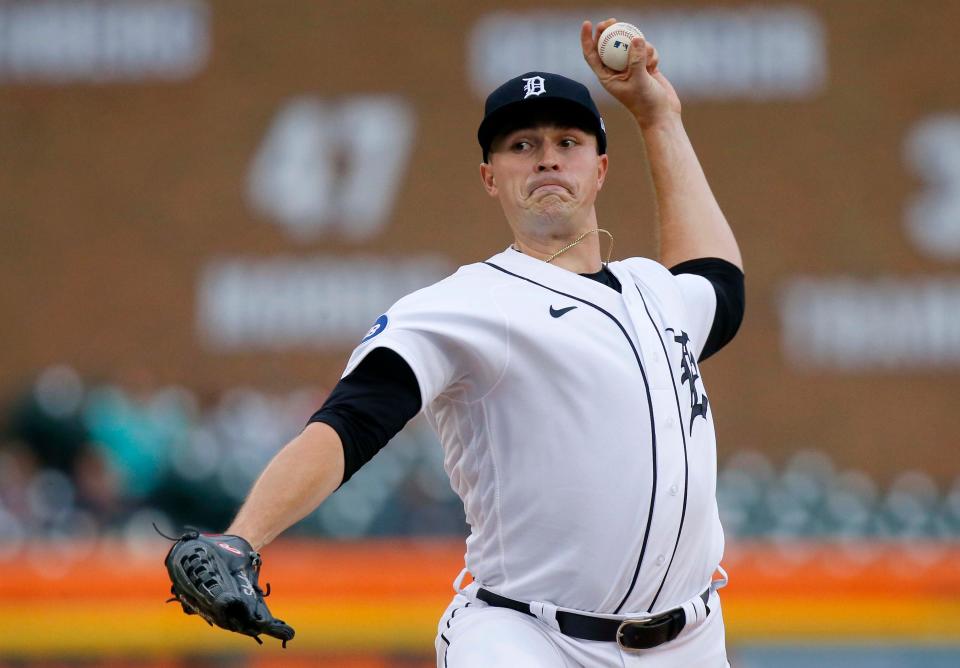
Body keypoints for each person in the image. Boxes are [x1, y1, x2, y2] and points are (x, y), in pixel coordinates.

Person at [223, 18, 744, 667]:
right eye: (522, 144)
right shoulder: (468, 302)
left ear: (601, 168)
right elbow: (352, 418)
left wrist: (659, 116)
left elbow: (719, 282)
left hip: (689, 640)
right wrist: (241, 540)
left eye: (568, 140)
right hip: (527, 637)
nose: (548, 156)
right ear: (490, 177)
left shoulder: (656, 291)